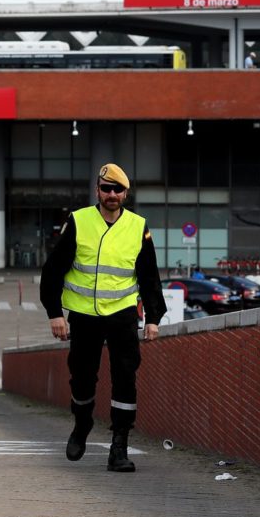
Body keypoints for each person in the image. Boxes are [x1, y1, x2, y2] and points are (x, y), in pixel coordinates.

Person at [40, 163, 164, 473]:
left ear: (125, 194)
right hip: (83, 315)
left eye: (117, 190)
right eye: (106, 189)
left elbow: (149, 277)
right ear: (97, 190)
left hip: (122, 314)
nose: (111, 194)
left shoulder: (138, 227)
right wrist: (55, 313)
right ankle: (82, 425)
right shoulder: (79, 221)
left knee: (126, 377)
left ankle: (118, 446)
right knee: (82, 377)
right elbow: (53, 270)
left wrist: (153, 317)